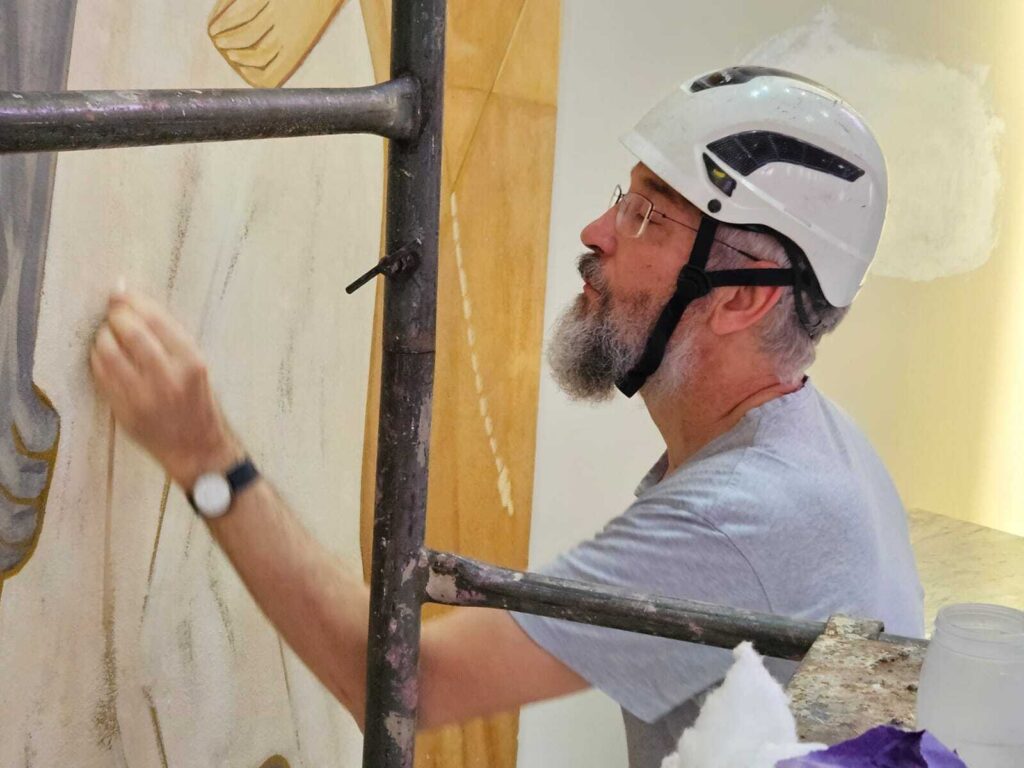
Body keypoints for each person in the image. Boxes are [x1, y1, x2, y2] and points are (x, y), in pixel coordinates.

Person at [90, 66, 924, 768]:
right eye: (620, 199)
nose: (598, 232)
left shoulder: (744, 517)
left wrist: (206, 459)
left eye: (648, 216)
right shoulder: (817, 449)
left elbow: (397, 681)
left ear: (740, 297)